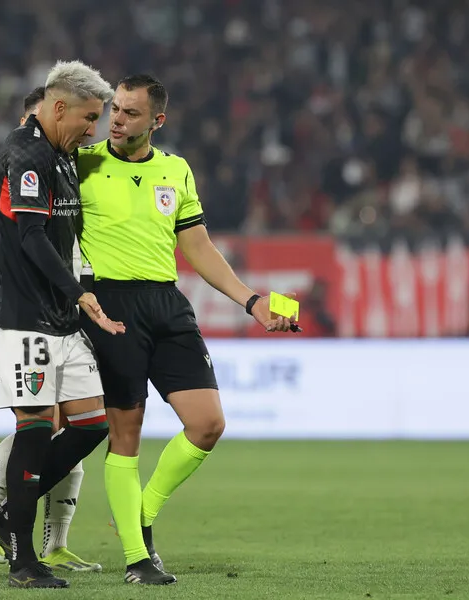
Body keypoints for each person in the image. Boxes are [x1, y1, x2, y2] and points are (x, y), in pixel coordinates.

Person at [76, 74, 299, 585]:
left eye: (130, 113)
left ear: (157, 120)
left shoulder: (175, 170)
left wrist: (252, 301)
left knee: (207, 424)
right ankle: (136, 558)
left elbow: (197, 246)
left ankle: (143, 513)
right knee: (125, 433)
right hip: (111, 303)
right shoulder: (83, 164)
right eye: (115, 108)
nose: (117, 119)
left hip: (166, 302)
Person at [0, 60, 124, 589]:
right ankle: (23, 561)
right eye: (89, 117)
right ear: (58, 108)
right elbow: (33, 238)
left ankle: (3, 515)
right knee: (35, 430)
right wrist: (80, 293)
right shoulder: (25, 154)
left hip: (58, 318)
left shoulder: (61, 156)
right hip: (22, 319)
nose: (94, 129)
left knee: (90, 424)